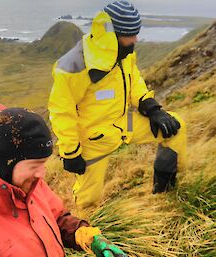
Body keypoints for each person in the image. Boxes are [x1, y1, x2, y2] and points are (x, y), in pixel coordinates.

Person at [0, 104, 127, 257]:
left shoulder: (25, 184)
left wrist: (86, 236)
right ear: (4, 163)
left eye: (43, 163)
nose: (42, 174)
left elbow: (56, 217)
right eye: (34, 165)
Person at [48, 0, 187, 211]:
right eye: (130, 35)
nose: (135, 40)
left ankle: (165, 194)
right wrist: (70, 152)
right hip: (93, 139)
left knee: (176, 128)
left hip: (124, 124)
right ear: (113, 34)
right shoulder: (73, 66)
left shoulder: (124, 52)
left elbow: (133, 80)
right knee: (88, 202)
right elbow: (61, 111)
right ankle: (83, 236)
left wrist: (151, 107)